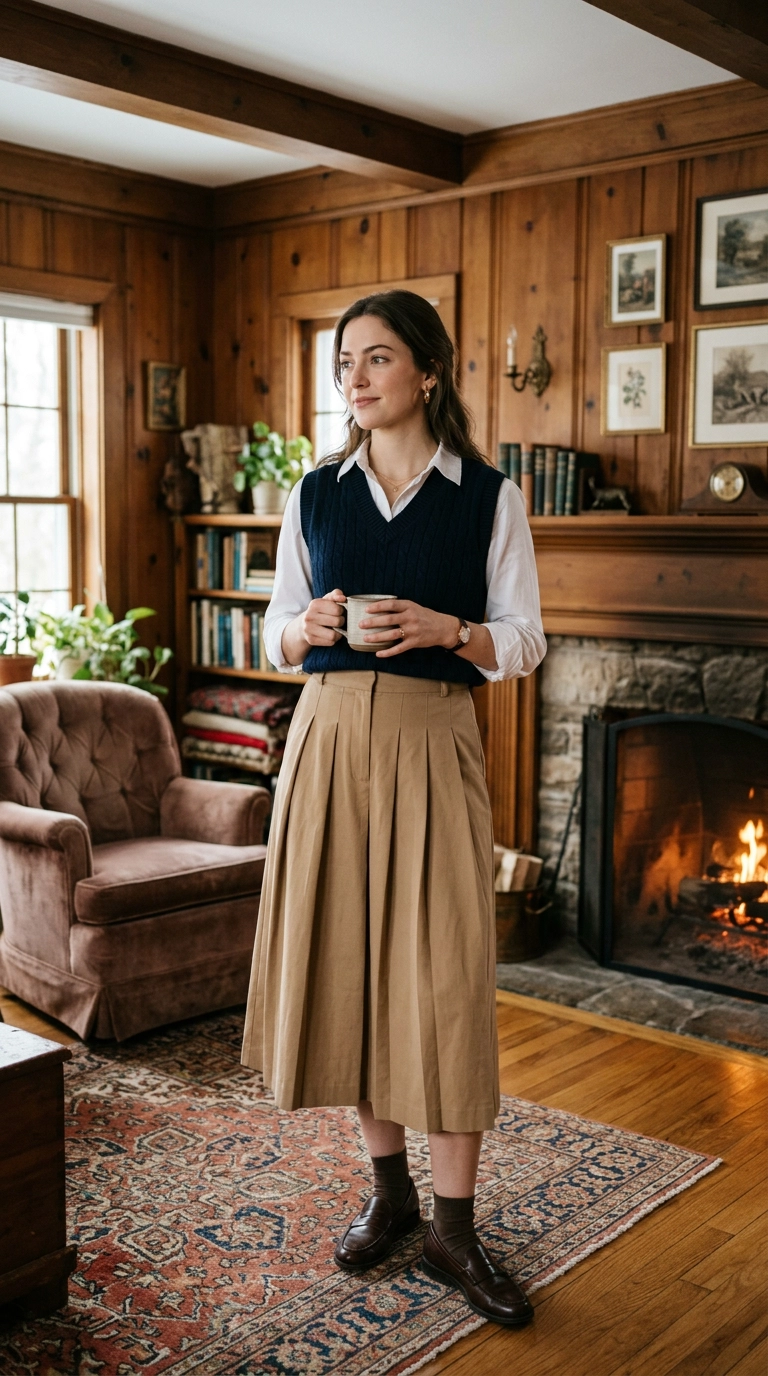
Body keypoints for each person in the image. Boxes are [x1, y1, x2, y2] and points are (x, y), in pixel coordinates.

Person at [242, 289, 546, 1326]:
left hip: (432, 738)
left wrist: (450, 627)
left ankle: (455, 1228)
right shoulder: (315, 493)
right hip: (326, 739)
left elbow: (524, 639)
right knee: (352, 967)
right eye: (344, 363)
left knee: (445, 975)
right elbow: (272, 632)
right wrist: (308, 623)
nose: (356, 378)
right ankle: (393, 1195)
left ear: (427, 371)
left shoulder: (489, 497)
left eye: (377, 358)